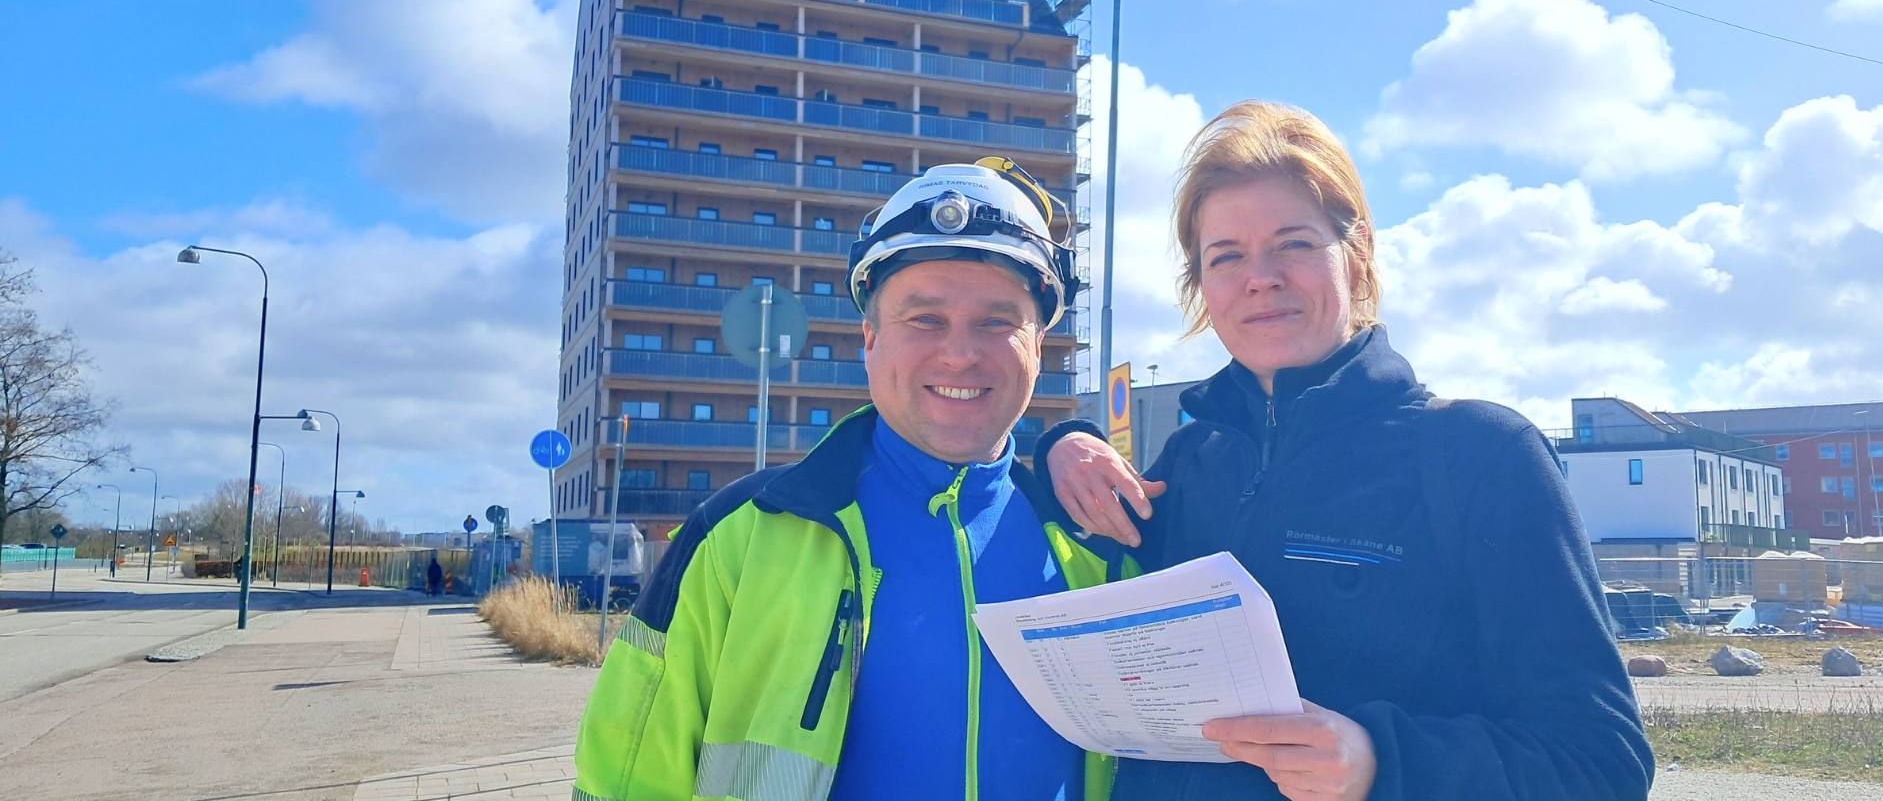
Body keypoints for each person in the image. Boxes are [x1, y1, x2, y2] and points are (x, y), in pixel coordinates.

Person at [1039, 102, 1654, 801]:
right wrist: (1065, 444)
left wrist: (1379, 762)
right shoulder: (1191, 460)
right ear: (1201, 285)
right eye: (1226, 256)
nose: (1260, 277)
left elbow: (1600, 763)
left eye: (1294, 244)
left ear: (1356, 253)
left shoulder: (1482, 456)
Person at [573, 158, 1130, 801]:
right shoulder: (738, 538)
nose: (960, 354)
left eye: (997, 322)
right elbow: (628, 772)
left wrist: (1069, 439)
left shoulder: (1098, 543)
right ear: (870, 338)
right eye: (925, 319)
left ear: (1038, 346)